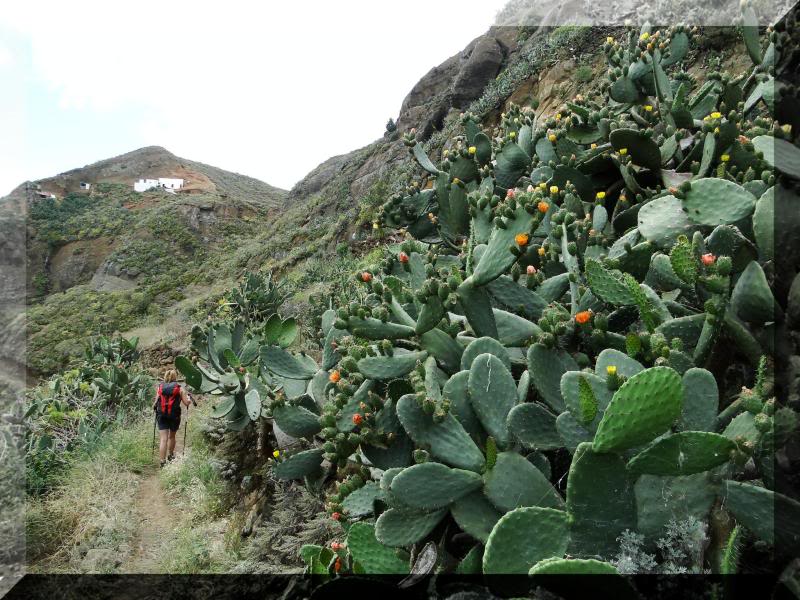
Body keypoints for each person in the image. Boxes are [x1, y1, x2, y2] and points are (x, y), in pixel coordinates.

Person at [153, 369, 193, 467]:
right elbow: (186, 403)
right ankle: (170, 456)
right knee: (171, 437)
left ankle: (162, 461)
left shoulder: (160, 387)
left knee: (163, 439)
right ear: (176, 377)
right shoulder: (180, 388)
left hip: (161, 415)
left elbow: (155, 403)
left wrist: (156, 409)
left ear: (165, 376)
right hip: (174, 416)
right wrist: (189, 399)